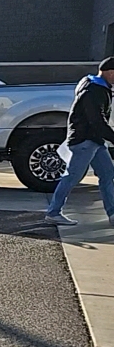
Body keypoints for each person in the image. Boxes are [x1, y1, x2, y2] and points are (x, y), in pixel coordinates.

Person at [44, 57, 114, 226]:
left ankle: (112, 214)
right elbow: (96, 121)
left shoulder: (94, 86)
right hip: (85, 141)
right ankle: (53, 212)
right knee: (72, 177)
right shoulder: (94, 91)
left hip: (93, 141)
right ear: (110, 72)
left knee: (108, 175)